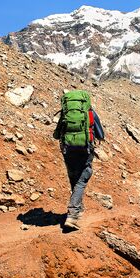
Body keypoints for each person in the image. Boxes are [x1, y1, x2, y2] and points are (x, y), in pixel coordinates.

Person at [53, 90, 105, 230]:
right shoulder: (90, 113)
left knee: (74, 177)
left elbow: (56, 135)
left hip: (68, 149)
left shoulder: (65, 113)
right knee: (83, 177)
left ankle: (78, 208)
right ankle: (73, 215)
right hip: (85, 149)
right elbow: (101, 134)